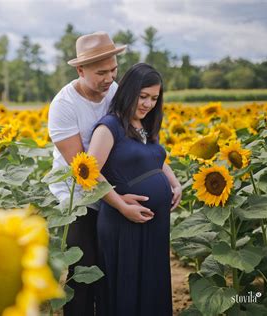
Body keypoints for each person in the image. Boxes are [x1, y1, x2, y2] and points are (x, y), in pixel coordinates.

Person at [48, 32, 152, 316]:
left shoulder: (116, 93)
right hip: (77, 199)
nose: (109, 78)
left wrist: (164, 173)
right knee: (83, 270)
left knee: (109, 269)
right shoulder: (64, 107)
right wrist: (120, 204)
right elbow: (84, 172)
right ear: (80, 70)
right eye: (101, 72)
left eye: (114, 70)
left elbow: (137, 136)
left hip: (113, 189)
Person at [87, 63, 182, 316]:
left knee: (152, 282)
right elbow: (89, 171)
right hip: (122, 222)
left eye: (154, 98)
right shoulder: (109, 127)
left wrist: (174, 182)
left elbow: (156, 159)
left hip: (155, 223)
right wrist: (120, 203)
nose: (148, 104)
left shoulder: (145, 127)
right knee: (126, 286)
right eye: (142, 96)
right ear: (129, 91)